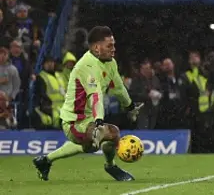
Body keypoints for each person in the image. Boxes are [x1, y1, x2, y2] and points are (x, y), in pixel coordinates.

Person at [32, 26, 143, 182]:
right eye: (109, 46)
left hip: (89, 119)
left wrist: (130, 107)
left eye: (114, 45)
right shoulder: (87, 66)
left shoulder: (110, 63)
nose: (113, 49)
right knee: (97, 139)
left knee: (113, 134)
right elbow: (95, 96)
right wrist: (99, 122)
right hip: (73, 121)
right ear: (97, 48)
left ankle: (45, 160)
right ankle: (49, 159)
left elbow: (118, 88)